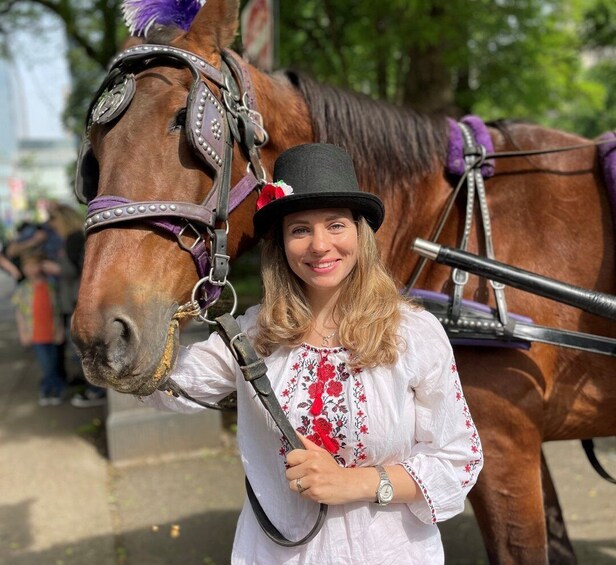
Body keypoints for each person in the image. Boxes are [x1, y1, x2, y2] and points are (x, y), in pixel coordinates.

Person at [142, 144, 483, 563]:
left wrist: (355, 483)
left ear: (360, 232)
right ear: (282, 245)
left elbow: (458, 459)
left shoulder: (413, 333)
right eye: (300, 229)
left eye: (336, 225)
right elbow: (163, 388)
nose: (320, 245)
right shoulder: (254, 333)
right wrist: (132, 312)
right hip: (278, 555)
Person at [43, 204, 106, 407]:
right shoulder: (78, 238)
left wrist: (55, 267)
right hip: (76, 300)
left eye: (54, 222)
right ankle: (94, 388)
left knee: (84, 347)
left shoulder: (73, 239)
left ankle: (96, 390)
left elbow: (76, 270)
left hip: (76, 300)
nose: (52, 227)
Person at [11, 250, 66, 406]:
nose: (30, 269)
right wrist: (23, 332)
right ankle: (49, 388)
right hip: (35, 335)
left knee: (54, 363)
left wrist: (60, 330)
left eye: (33, 265)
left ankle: (54, 388)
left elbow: (57, 310)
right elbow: (20, 313)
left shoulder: (51, 285)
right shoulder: (23, 289)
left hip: (52, 332)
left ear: (41, 266)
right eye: (26, 266)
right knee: (46, 365)